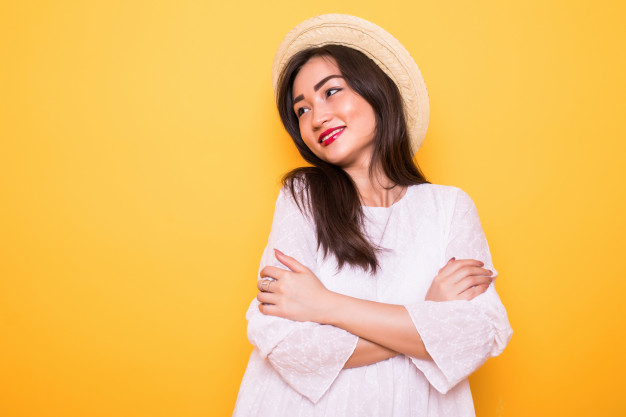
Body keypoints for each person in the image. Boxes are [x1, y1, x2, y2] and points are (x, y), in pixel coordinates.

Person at [233, 14, 512, 417]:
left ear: (376, 90)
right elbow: (280, 337)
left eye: (331, 92)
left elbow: (477, 334)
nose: (316, 117)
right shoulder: (303, 196)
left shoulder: (449, 207)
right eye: (302, 110)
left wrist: (325, 305)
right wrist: (426, 316)